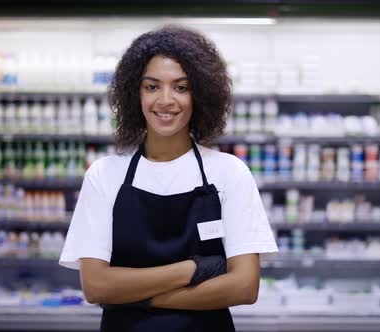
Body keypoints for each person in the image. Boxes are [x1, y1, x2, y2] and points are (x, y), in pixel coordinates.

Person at [59, 25, 278, 331]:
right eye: (151, 86)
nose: (165, 100)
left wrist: (137, 296)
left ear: (200, 94)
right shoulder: (105, 175)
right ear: (134, 93)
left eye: (181, 87)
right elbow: (96, 287)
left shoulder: (229, 173)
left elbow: (244, 287)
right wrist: (195, 269)